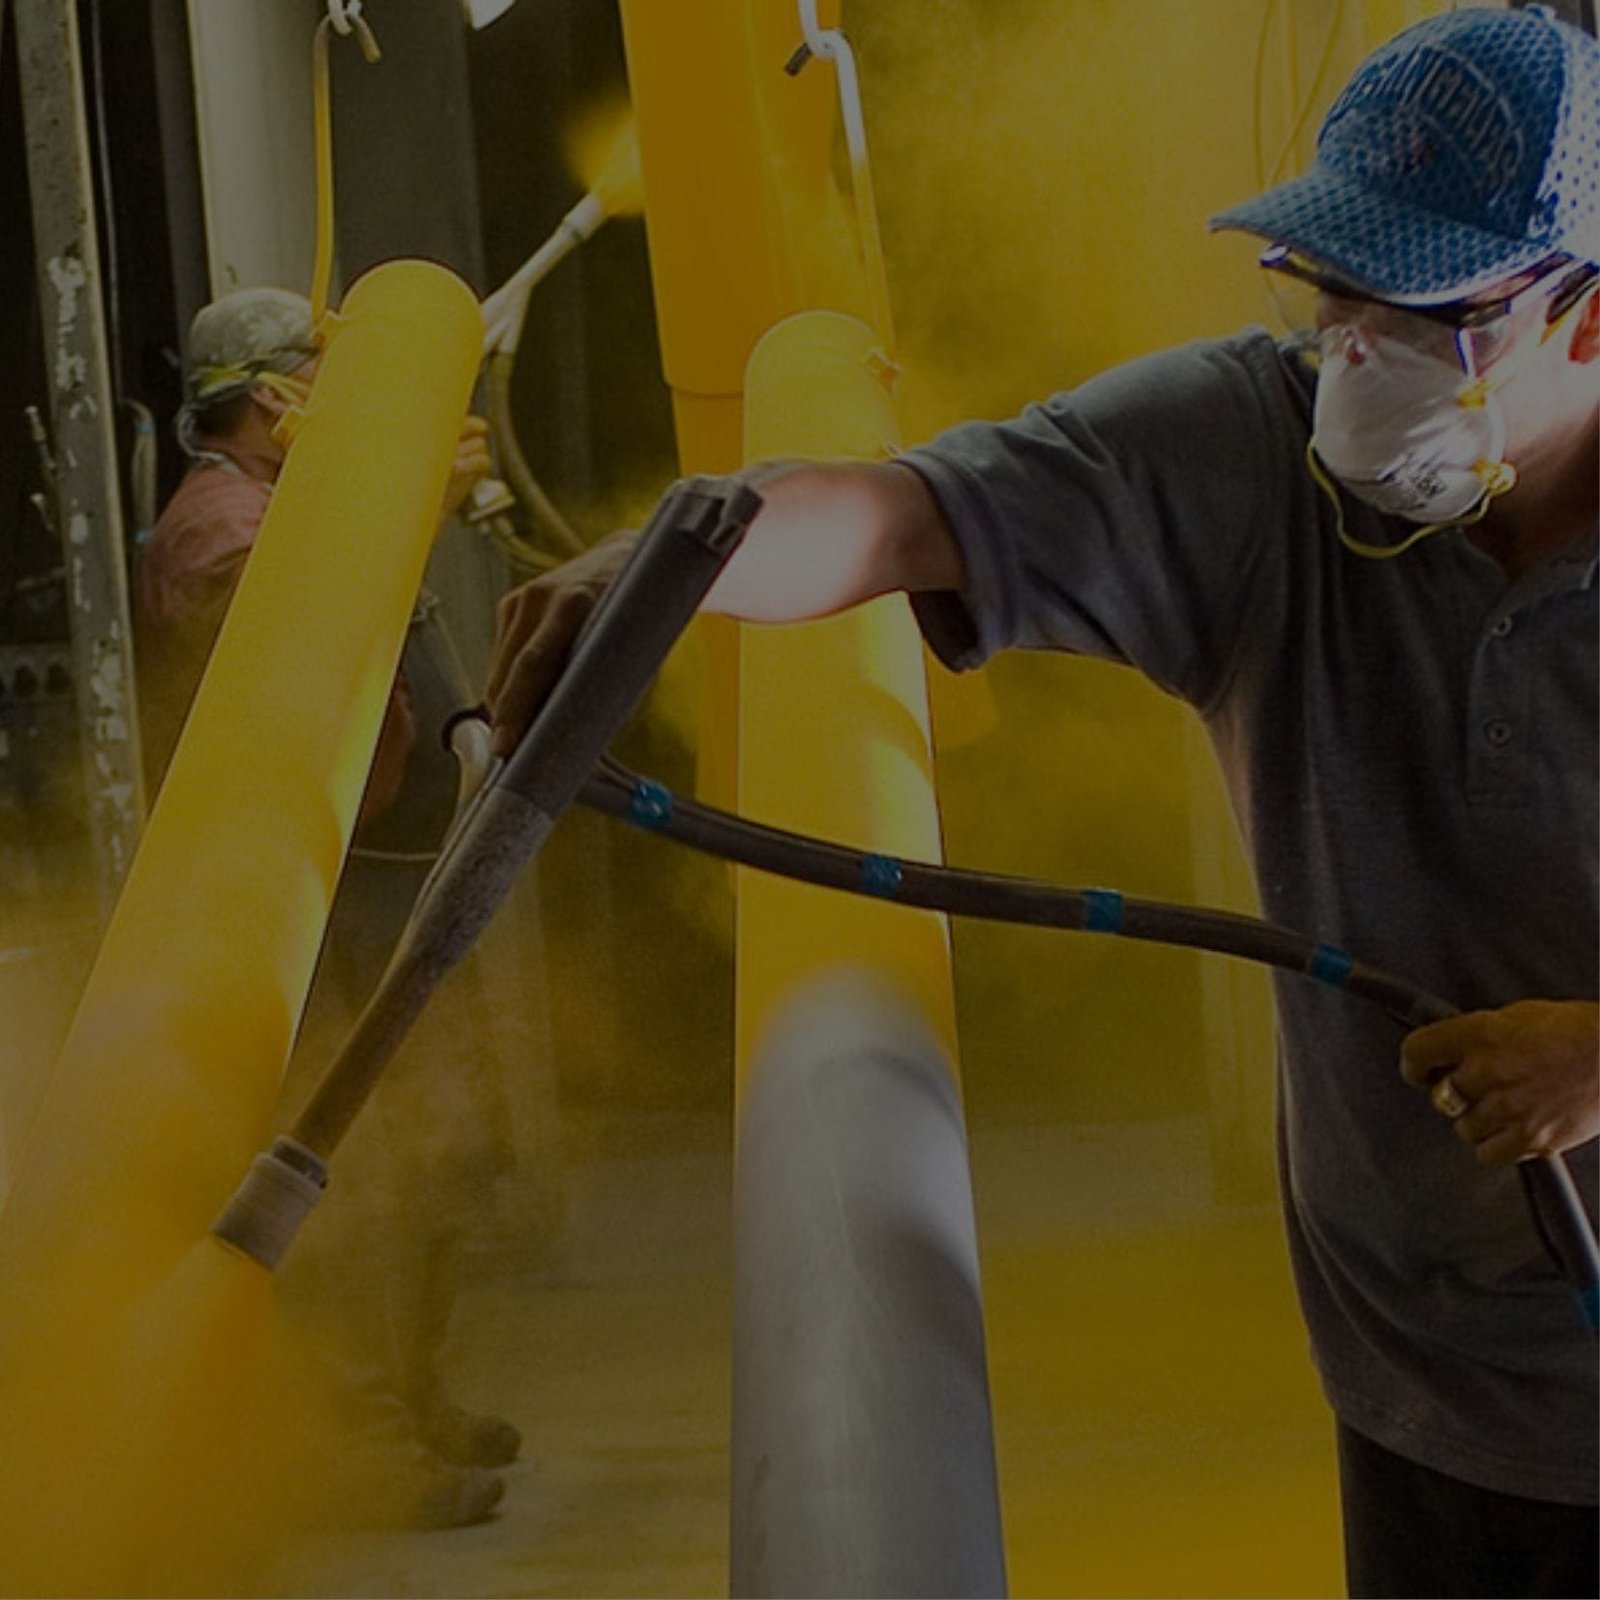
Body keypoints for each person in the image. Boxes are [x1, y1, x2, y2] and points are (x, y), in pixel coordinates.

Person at [483, 8, 1599, 1596]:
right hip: (1431, 1373)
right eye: (1338, 297)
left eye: (1430, 313)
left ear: (1592, 318)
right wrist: (674, 556)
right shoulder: (1259, 457)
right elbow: (904, 517)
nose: (1363, 357)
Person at [136, 286, 521, 1530]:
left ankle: (411, 1396)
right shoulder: (218, 531)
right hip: (296, 906)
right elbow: (329, 595)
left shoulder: (305, 504)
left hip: (369, 886)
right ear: (270, 400)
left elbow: (387, 599)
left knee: (437, 1151)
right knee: (351, 1176)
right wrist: (404, 496)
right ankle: (363, 1447)